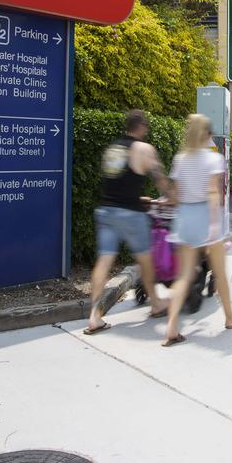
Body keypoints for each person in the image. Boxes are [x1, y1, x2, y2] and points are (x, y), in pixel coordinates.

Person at [85, 110, 172, 334]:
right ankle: (156, 304)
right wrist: (173, 199)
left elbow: (117, 182)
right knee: (145, 260)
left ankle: (94, 316)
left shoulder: (112, 148)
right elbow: (160, 180)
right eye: (147, 126)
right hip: (130, 215)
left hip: (106, 210)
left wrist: (136, 197)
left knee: (104, 261)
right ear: (141, 126)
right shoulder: (144, 149)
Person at [162, 114, 232, 347]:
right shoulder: (214, 159)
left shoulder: (180, 159)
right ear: (208, 135)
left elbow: (176, 195)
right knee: (219, 272)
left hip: (185, 218)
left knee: (184, 275)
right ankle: (230, 318)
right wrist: (213, 225)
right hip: (206, 218)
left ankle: (171, 326)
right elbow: (212, 192)